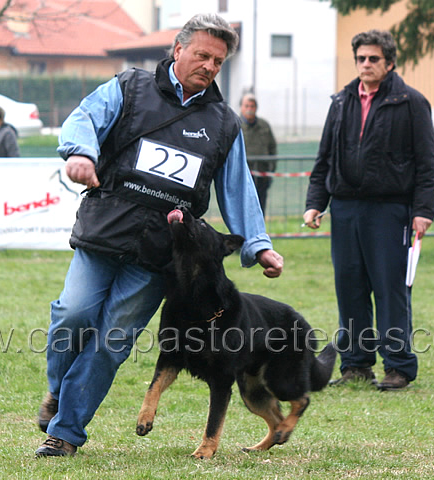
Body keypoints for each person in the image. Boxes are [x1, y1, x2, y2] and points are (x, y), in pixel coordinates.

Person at [35, 13, 284, 457]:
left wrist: (258, 245)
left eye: (218, 61)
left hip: (161, 257)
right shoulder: (130, 87)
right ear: (178, 50)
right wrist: (80, 154)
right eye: (203, 55)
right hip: (105, 234)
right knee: (72, 314)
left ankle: (65, 433)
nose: (209, 65)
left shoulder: (224, 123)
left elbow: (238, 188)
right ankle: (58, 391)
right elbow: (84, 119)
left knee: (112, 340)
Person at [303, 30, 434, 391]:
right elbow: (324, 159)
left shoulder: (411, 103)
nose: (365, 64)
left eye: (373, 58)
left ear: (390, 62)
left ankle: (398, 366)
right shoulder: (341, 102)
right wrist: (316, 203)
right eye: (361, 58)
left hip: (390, 210)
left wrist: (423, 210)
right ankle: (356, 365)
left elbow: (427, 164)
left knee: (390, 288)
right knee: (349, 287)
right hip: (345, 209)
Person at [239, 93, 277, 215]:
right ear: (241, 107)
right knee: (243, 209)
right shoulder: (235, 125)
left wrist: (270, 170)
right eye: (246, 106)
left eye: (252, 106)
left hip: (262, 175)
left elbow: (272, 148)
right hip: (242, 177)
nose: (249, 109)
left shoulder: (264, 126)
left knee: (260, 208)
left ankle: (259, 232)